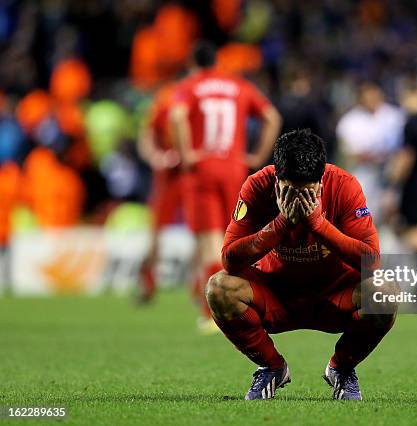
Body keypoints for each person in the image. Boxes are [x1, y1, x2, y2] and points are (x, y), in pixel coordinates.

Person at [206, 129, 397, 400]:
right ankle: (271, 367)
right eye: (288, 191)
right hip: (276, 294)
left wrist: (318, 224)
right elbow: (229, 259)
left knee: (384, 292)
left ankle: (342, 369)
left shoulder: (344, 185)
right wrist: (280, 225)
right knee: (219, 288)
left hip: (332, 295)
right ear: (276, 180)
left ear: (321, 182)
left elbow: (372, 260)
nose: (297, 200)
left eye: (307, 192)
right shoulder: (257, 186)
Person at [171, 41, 282, 333]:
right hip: (234, 170)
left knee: (208, 243)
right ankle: (244, 302)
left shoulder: (191, 85)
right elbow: (272, 117)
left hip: (202, 169)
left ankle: (214, 314)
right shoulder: (237, 85)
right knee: (232, 240)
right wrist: (257, 156)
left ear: (194, 63)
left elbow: (178, 116)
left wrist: (186, 155)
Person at [137, 81, 181, 303]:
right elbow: (146, 135)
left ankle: (202, 285)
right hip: (168, 176)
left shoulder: (193, 102)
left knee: (205, 231)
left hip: (193, 172)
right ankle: (147, 281)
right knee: (156, 232)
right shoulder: (165, 103)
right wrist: (156, 156)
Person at [336, 82, 405, 221]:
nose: (372, 99)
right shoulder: (350, 121)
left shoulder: (394, 116)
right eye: (368, 96)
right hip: (365, 173)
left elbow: (403, 148)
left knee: (391, 213)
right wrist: (378, 157)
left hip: (393, 171)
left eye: (375, 95)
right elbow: (352, 155)